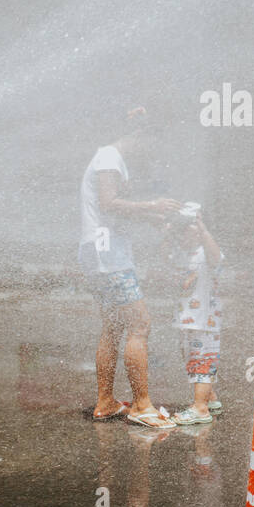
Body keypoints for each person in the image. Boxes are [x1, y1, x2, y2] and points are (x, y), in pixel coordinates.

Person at [79, 108, 181, 429]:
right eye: (153, 145)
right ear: (142, 136)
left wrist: (156, 219)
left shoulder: (109, 159)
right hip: (108, 257)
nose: (153, 154)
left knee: (113, 326)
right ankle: (142, 405)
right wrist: (152, 206)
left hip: (97, 254)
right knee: (140, 324)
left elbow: (113, 211)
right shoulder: (109, 157)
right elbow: (109, 204)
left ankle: (106, 402)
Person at [168, 209, 224, 425]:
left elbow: (216, 258)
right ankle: (209, 398)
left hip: (205, 320)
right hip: (187, 320)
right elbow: (164, 255)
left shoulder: (206, 252)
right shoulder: (182, 253)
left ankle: (200, 408)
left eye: (190, 231)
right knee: (192, 359)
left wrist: (202, 229)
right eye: (183, 232)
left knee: (203, 360)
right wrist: (169, 230)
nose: (185, 236)